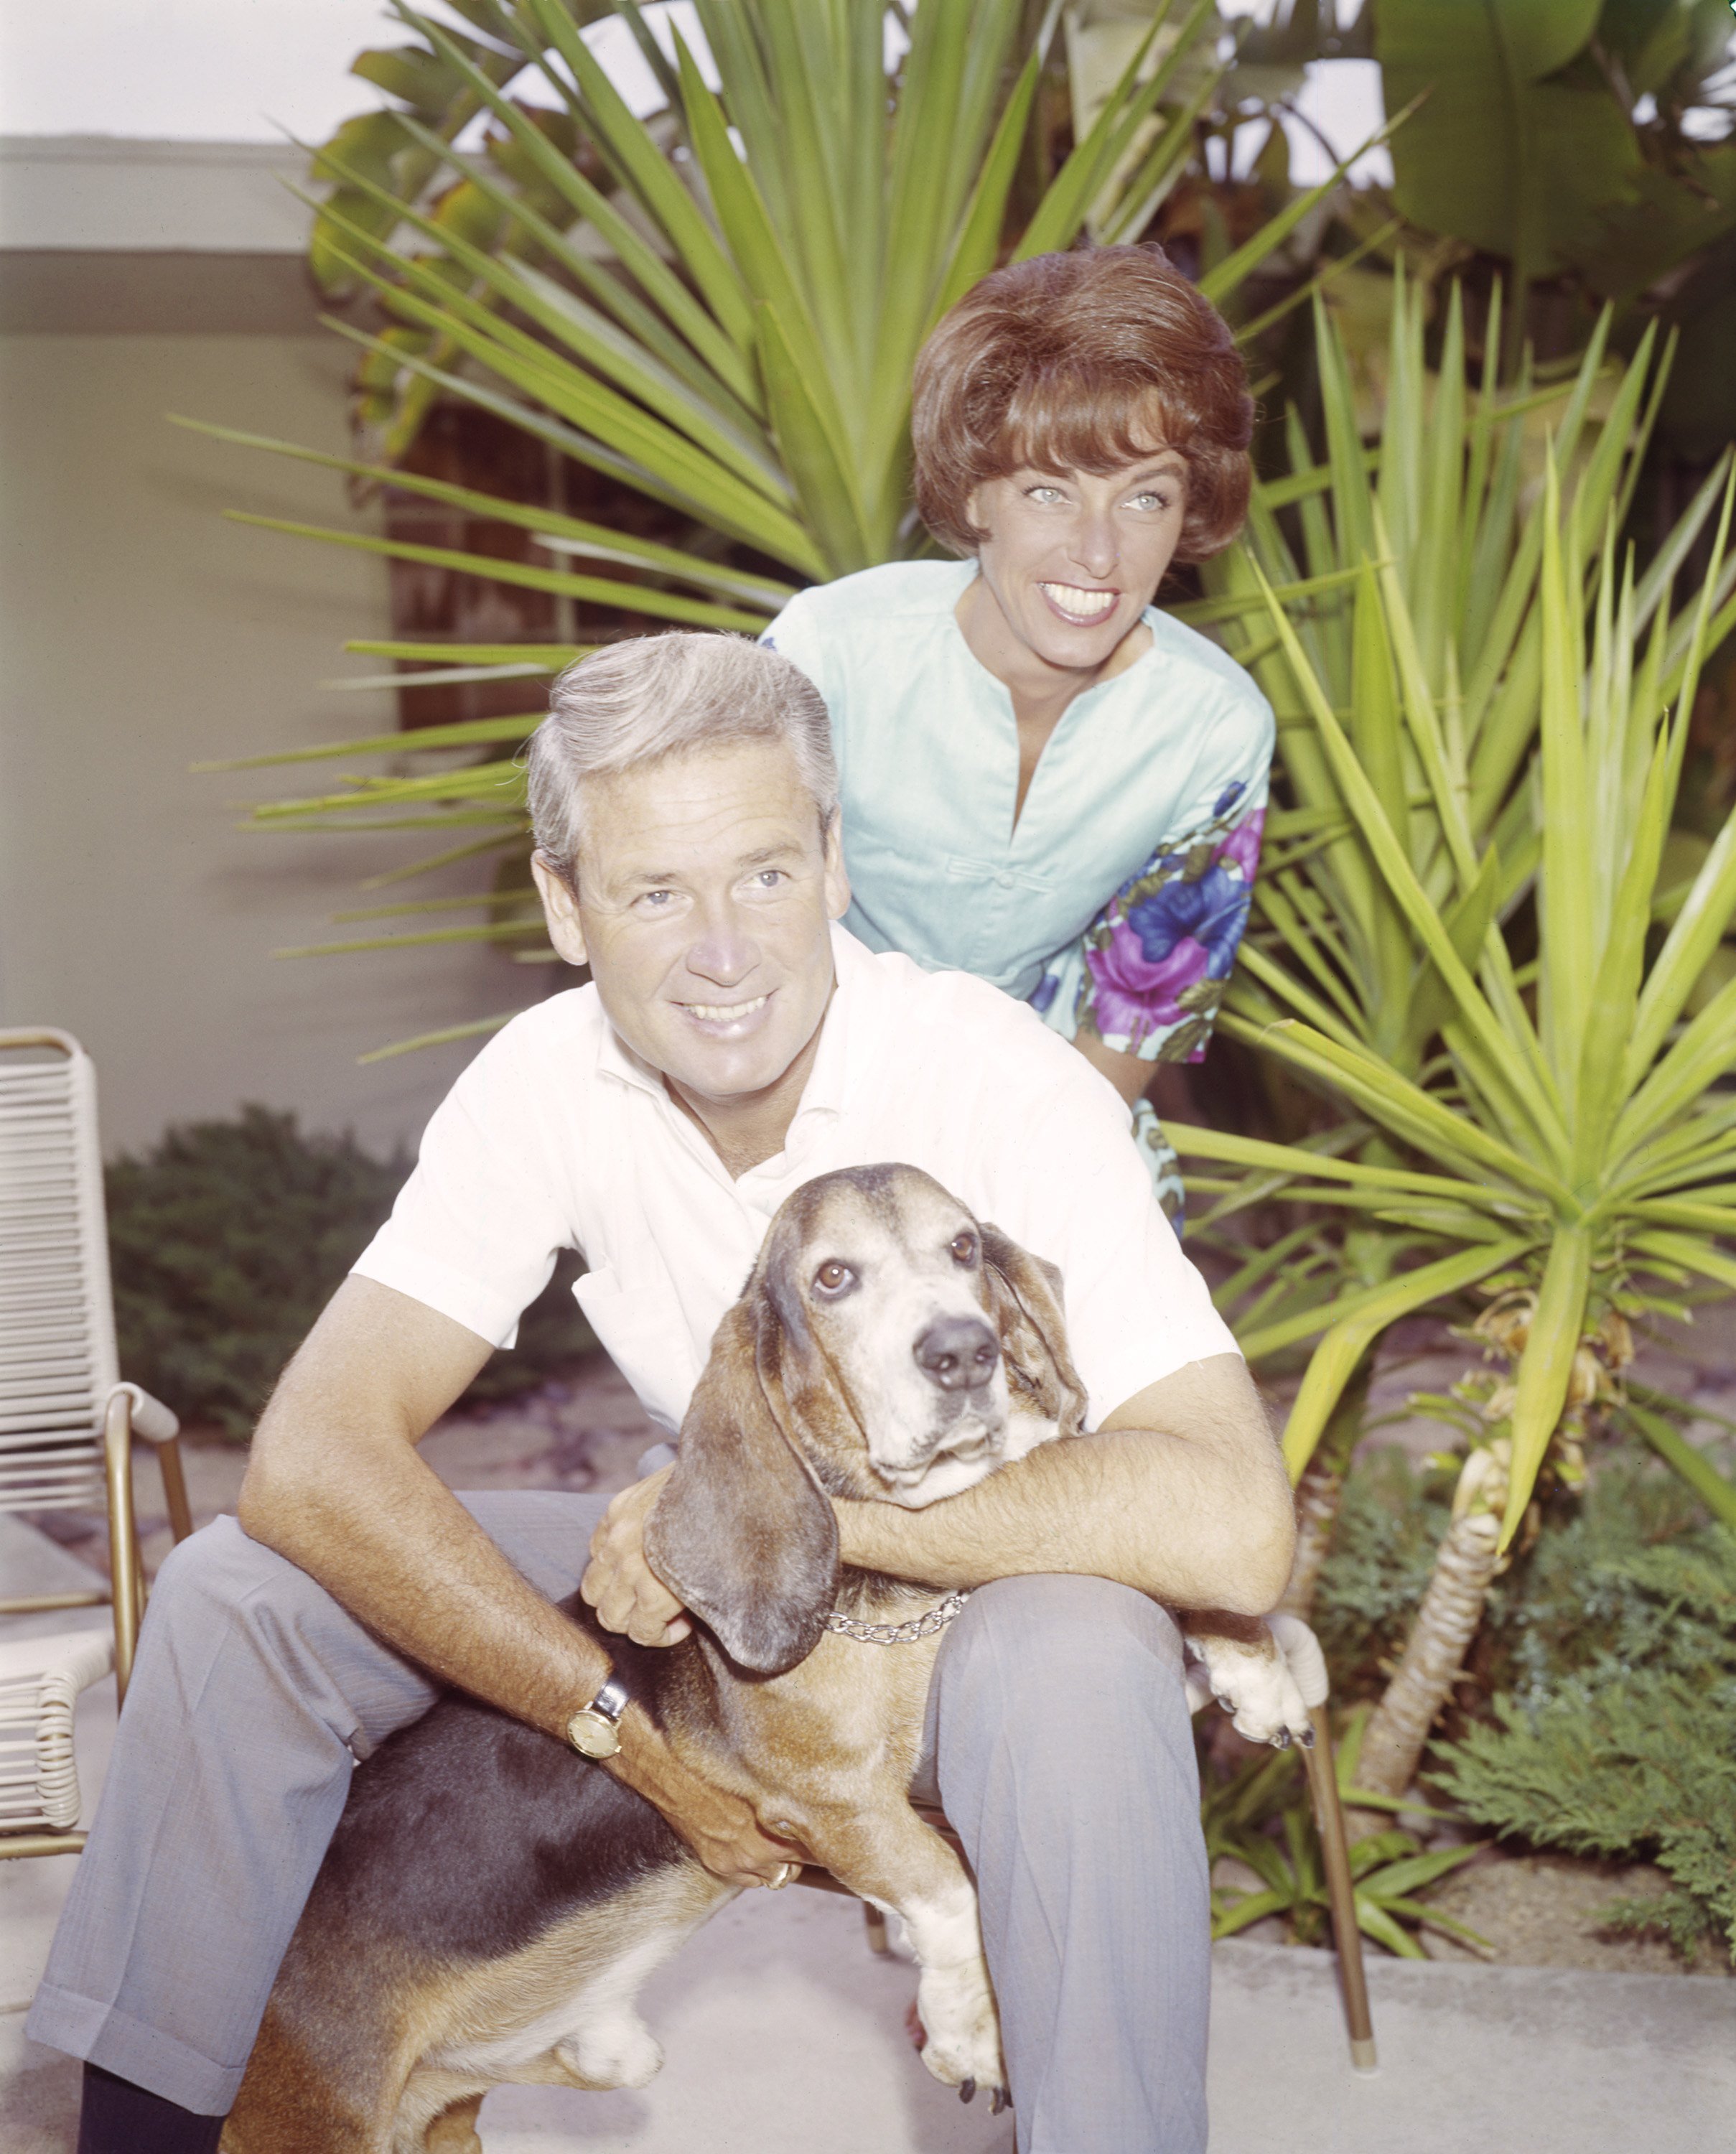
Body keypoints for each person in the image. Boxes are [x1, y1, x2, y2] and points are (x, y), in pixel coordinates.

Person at [32, 633, 1294, 2154]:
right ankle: (150, 2130)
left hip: (960, 1574)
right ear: (569, 909)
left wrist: (760, 1521)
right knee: (242, 1586)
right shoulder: (547, 1077)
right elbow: (309, 1460)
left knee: (1085, 1658)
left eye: (764, 874)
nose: (722, 948)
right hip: (707, 1544)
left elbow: (1231, 1527)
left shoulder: (997, 1080)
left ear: (834, 864)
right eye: (652, 892)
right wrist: (622, 1725)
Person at [762, 243, 1273, 1226]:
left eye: (1145, 497)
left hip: (1052, 1111)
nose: (1097, 551)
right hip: (798, 1094)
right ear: (973, 493)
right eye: (1049, 490)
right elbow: (742, 932)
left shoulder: (1213, 728)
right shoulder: (827, 652)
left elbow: (1137, 1012)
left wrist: (995, 1191)